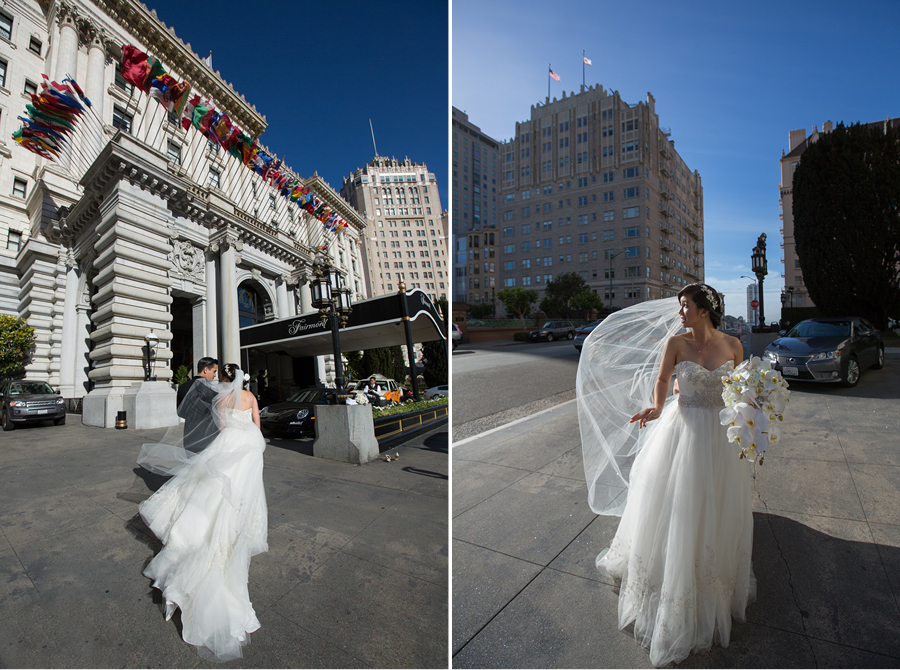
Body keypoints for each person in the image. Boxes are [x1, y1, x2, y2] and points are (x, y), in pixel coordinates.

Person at [577, 284, 753, 667]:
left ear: (704, 310)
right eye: (679, 306)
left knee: (715, 504)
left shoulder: (733, 346)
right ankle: (670, 580)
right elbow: (662, 379)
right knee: (677, 505)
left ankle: (710, 583)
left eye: (685, 305)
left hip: (720, 437)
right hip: (682, 429)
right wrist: (657, 407)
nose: (680, 312)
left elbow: (741, 391)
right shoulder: (676, 343)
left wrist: (754, 415)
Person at [138, 363, 267, 662]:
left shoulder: (221, 398)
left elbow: (221, 426)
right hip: (250, 446)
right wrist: (253, 439)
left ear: (223, 378)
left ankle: (201, 526)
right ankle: (238, 527)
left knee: (213, 488)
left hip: (228, 442)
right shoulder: (250, 396)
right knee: (244, 490)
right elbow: (257, 422)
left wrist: (232, 434)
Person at [176, 357, 219, 453]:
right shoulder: (212, 390)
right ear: (205, 369)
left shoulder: (183, 387)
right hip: (208, 435)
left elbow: (180, 412)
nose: (215, 375)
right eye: (214, 371)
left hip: (189, 435)